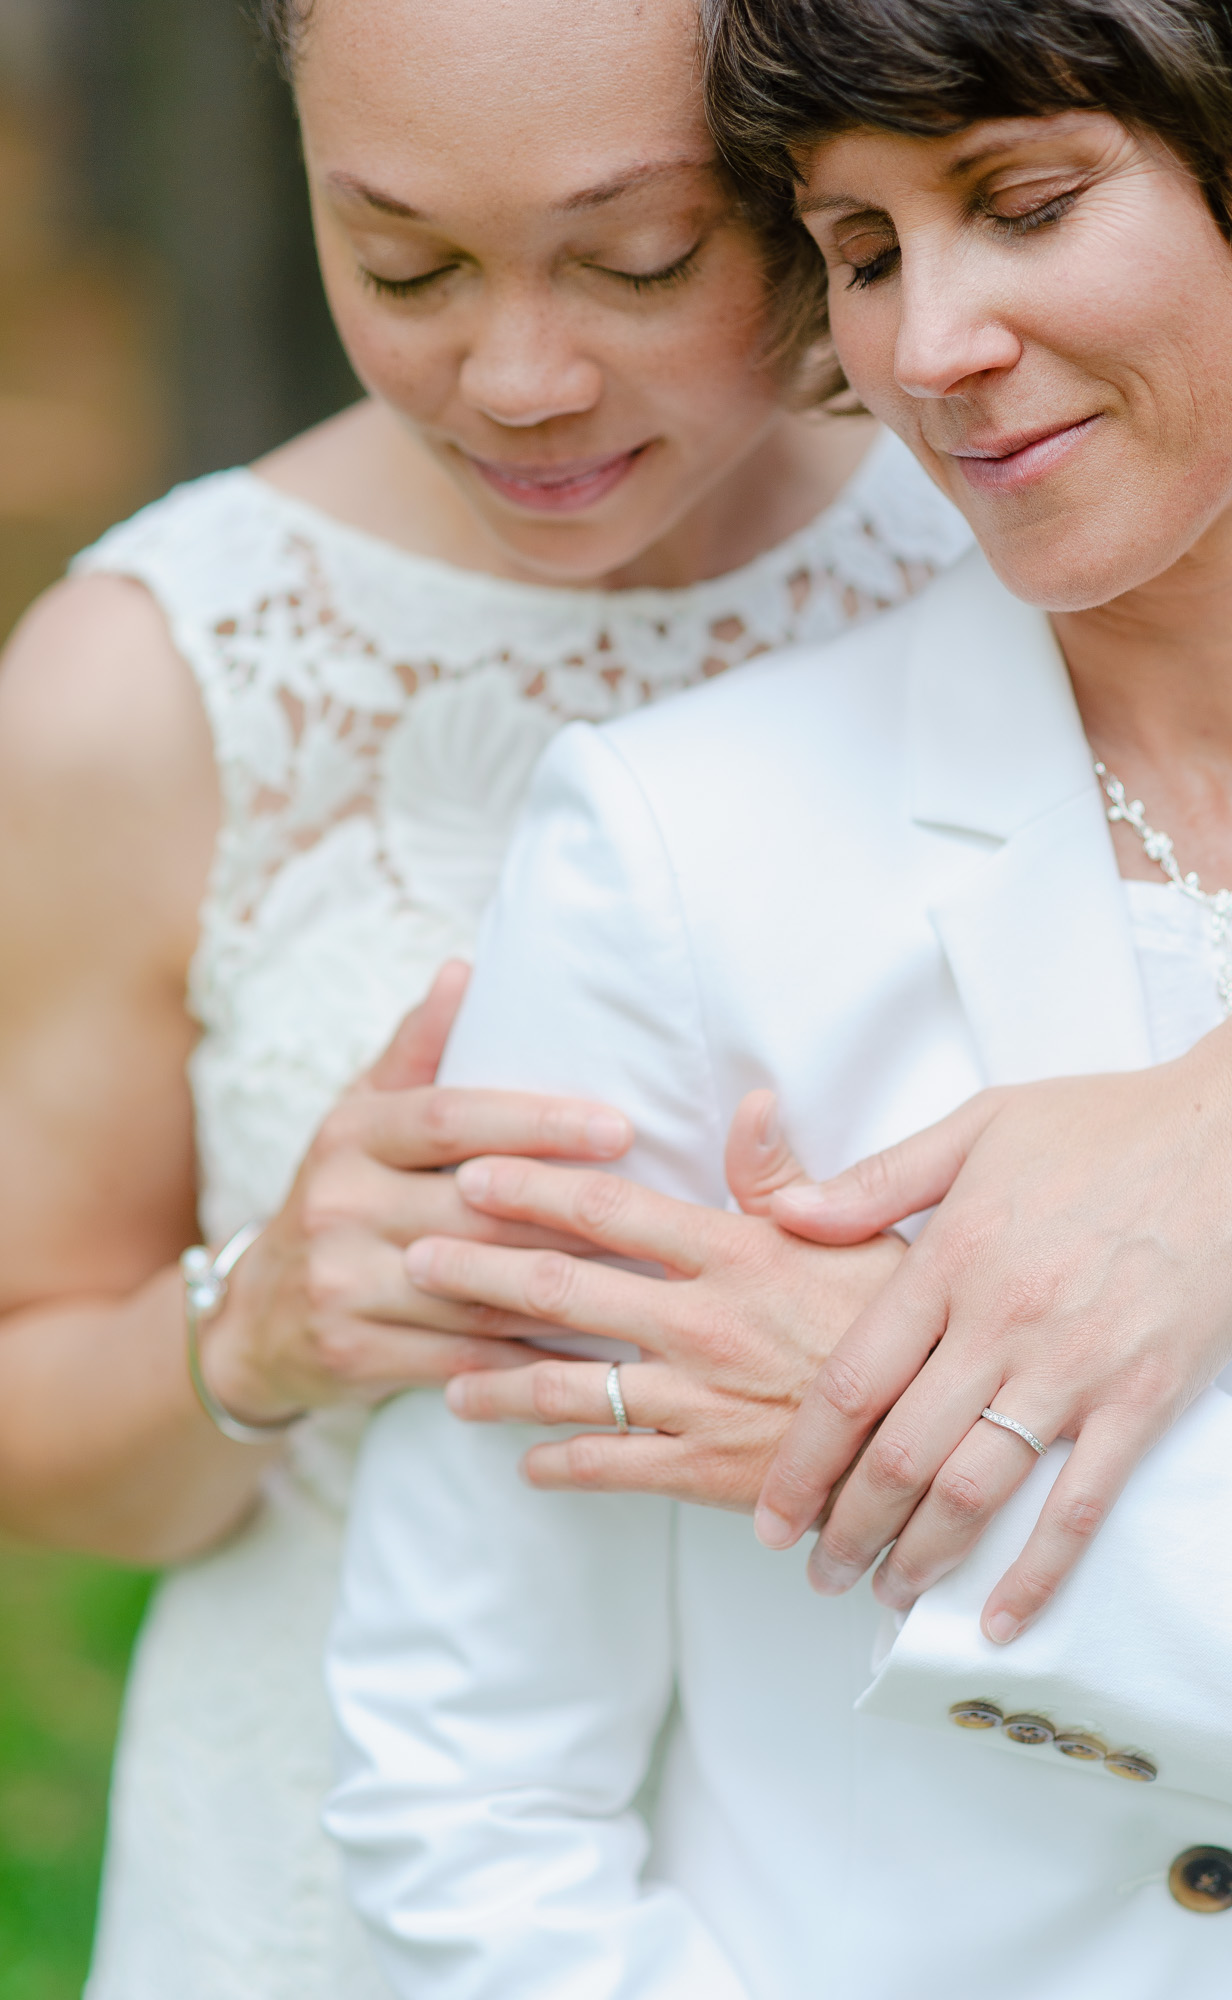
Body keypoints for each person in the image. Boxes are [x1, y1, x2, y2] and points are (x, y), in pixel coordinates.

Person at [327, 2, 1232, 1995]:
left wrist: (948, 1465)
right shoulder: (679, 849)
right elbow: (465, 1781)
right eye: (861, 251)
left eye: (1023, 205)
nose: (929, 348)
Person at [0, 0, 972, 1991]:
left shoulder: (1012, 533)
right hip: (335, 1879)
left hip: (941, 1848)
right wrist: (254, 1326)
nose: (516, 376)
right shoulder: (143, 684)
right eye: (404, 262)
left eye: (638, 258)